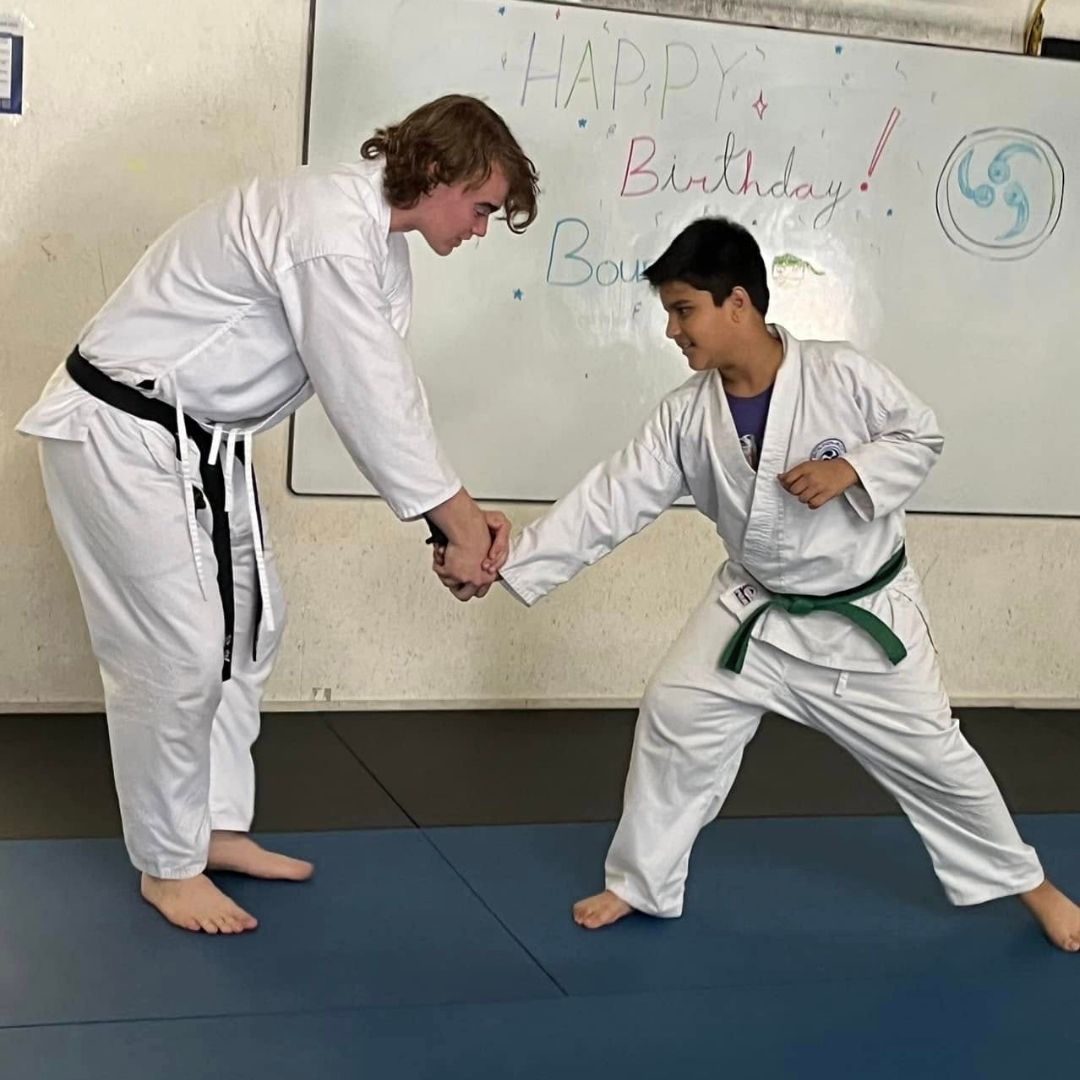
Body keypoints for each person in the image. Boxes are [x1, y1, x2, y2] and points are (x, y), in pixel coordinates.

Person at [437, 217, 1080, 952]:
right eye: (670, 313)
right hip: (755, 609)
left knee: (935, 758)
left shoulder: (842, 375)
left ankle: (1035, 887)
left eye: (684, 310)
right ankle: (640, 882)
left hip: (861, 615)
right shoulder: (687, 415)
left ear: (737, 303)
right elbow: (608, 502)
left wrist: (852, 469)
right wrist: (504, 562)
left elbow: (920, 435)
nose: (673, 331)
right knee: (676, 712)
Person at [17, 94, 538, 934]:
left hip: (198, 443)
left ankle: (214, 826)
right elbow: (368, 397)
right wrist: (460, 522)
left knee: (250, 631)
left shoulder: (379, 248)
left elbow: (387, 396)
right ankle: (168, 865)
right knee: (177, 652)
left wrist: (451, 521)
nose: (481, 229)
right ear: (440, 170)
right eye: (482, 208)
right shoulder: (327, 225)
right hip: (121, 431)